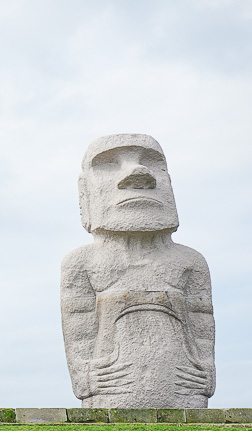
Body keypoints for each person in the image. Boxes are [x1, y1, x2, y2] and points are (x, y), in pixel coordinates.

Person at [61, 134, 215, 409]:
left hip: (183, 382)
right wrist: (84, 376)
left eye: (152, 163)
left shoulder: (190, 260)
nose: (138, 172)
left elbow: (202, 320)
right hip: (111, 381)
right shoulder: (82, 261)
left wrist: (206, 369)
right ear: (85, 193)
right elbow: (78, 326)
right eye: (108, 164)